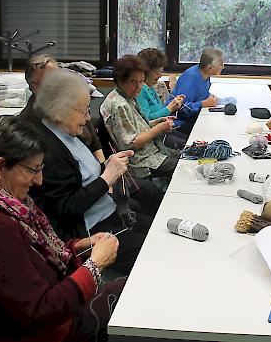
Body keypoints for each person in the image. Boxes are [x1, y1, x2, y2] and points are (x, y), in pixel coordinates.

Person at [0, 116, 125, 342]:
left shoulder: (4, 204)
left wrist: (77, 246)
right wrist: (94, 265)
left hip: (56, 315)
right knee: (135, 301)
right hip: (51, 332)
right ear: (0, 167)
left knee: (130, 289)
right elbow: (41, 312)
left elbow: (33, 257)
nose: (39, 181)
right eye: (33, 170)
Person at [29, 68, 157, 274]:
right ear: (60, 110)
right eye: (84, 111)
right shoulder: (48, 150)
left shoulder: (66, 133)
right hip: (93, 232)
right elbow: (67, 207)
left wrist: (109, 166)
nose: (88, 118)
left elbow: (88, 177)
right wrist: (107, 177)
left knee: (158, 229)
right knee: (154, 251)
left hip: (110, 214)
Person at [101, 55, 179, 179]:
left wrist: (158, 122)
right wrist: (159, 129)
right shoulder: (119, 105)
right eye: (133, 82)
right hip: (140, 161)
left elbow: (137, 127)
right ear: (120, 80)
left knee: (184, 157)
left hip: (150, 152)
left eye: (141, 81)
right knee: (184, 167)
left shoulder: (128, 97)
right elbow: (130, 143)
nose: (138, 87)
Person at [22, 54, 106, 163]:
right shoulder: (31, 120)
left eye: (56, 81)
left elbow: (94, 141)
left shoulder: (73, 103)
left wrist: (103, 167)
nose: (51, 87)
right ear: (31, 86)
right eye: (43, 83)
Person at [136, 47, 188, 149]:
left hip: (162, 132)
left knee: (189, 142)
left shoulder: (150, 86)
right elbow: (146, 120)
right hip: (155, 139)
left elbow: (158, 110)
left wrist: (174, 105)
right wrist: (169, 109)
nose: (160, 75)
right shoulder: (140, 90)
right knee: (188, 148)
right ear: (145, 71)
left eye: (161, 71)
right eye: (157, 72)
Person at [170, 47, 225, 135]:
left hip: (194, 117)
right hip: (180, 123)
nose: (223, 67)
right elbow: (181, 109)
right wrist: (203, 103)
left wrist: (210, 97)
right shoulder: (190, 78)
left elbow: (201, 93)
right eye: (221, 65)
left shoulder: (205, 75)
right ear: (210, 68)